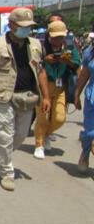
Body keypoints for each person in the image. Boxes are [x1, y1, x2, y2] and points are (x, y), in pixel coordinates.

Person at [0, 7, 51, 190]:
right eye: (22, 26)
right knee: (3, 135)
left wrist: (46, 97)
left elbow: (40, 71)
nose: (26, 30)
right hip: (0, 96)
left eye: (28, 26)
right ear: (11, 25)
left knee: (20, 135)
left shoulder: (35, 44)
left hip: (26, 97)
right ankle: (6, 172)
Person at [33, 20, 80, 159]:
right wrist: (46, 60)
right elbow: (33, 63)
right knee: (43, 117)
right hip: (44, 86)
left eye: (60, 37)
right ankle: (39, 144)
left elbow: (77, 65)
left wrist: (67, 60)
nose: (57, 40)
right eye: (55, 37)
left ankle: (46, 134)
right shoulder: (41, 47)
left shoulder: (70, 47)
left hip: (61, 87)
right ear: (49, 35)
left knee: (60, 118)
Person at [74, 44, 94, 175]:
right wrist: (77, 94)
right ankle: (85, 153)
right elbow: (84, 74)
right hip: (92, 98)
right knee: (90, 133)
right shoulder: (90, 51)